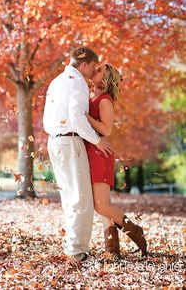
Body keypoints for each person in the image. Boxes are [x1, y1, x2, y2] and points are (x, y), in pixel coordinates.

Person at [43, 47, 112, 261]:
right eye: (93, 66)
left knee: (70, 197)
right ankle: (76, 252)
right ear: (83, 64)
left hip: (55, 141)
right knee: (81, 200)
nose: (93, 71)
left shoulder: (57, 81)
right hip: (70, 141)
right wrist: (97, 140)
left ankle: (73, 248)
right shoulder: (78, 82)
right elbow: (77, 118)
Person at [85, 63, 147, 259]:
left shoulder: (105, 100)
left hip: (100, 153)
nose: (95, 69)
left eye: (100, 70)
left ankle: (135, 231)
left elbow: (107, 129)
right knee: (103, 204)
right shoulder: (91, 96)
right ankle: (112, 250)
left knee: (101, 205)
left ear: (106, 79)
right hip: (92, 150)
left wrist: (86, 118)